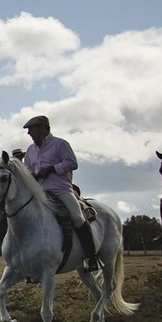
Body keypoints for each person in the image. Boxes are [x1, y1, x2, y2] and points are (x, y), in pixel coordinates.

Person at [23, 115, 100, 272]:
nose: (29, 133)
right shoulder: (30, 150)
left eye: (31, 129)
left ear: (42, 128)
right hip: (40, 192)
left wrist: (51, 169)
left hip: (61, 189)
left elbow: (72, 163)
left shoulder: (60, 144)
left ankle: (91, 256)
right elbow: (28, 169)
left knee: (77, 217)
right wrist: (31, 175)